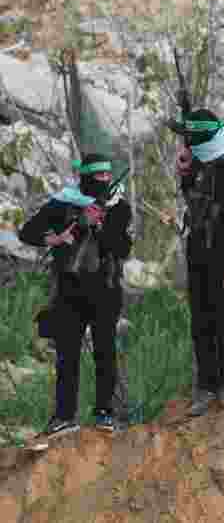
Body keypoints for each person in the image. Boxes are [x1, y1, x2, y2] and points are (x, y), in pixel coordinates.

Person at [17, 153, 133, 442]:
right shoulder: (62, 203)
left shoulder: (120, 208)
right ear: (84, 178)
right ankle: (64, 417)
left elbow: (122, 249)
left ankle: (105, 413)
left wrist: (99, 225)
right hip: (69, 294)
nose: (104, 181)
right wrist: (57, 237)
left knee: (105, 352)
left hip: (106, 292)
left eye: (107, 176)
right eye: (98, 177)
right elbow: (27, 232)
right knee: (67, 357)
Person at [170, 108, 224, 417]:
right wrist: (185, 171)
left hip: (223, 255)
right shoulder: (200, 161)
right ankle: (206, 387)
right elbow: (192, 197)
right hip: (198, 249)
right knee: (200, 321)